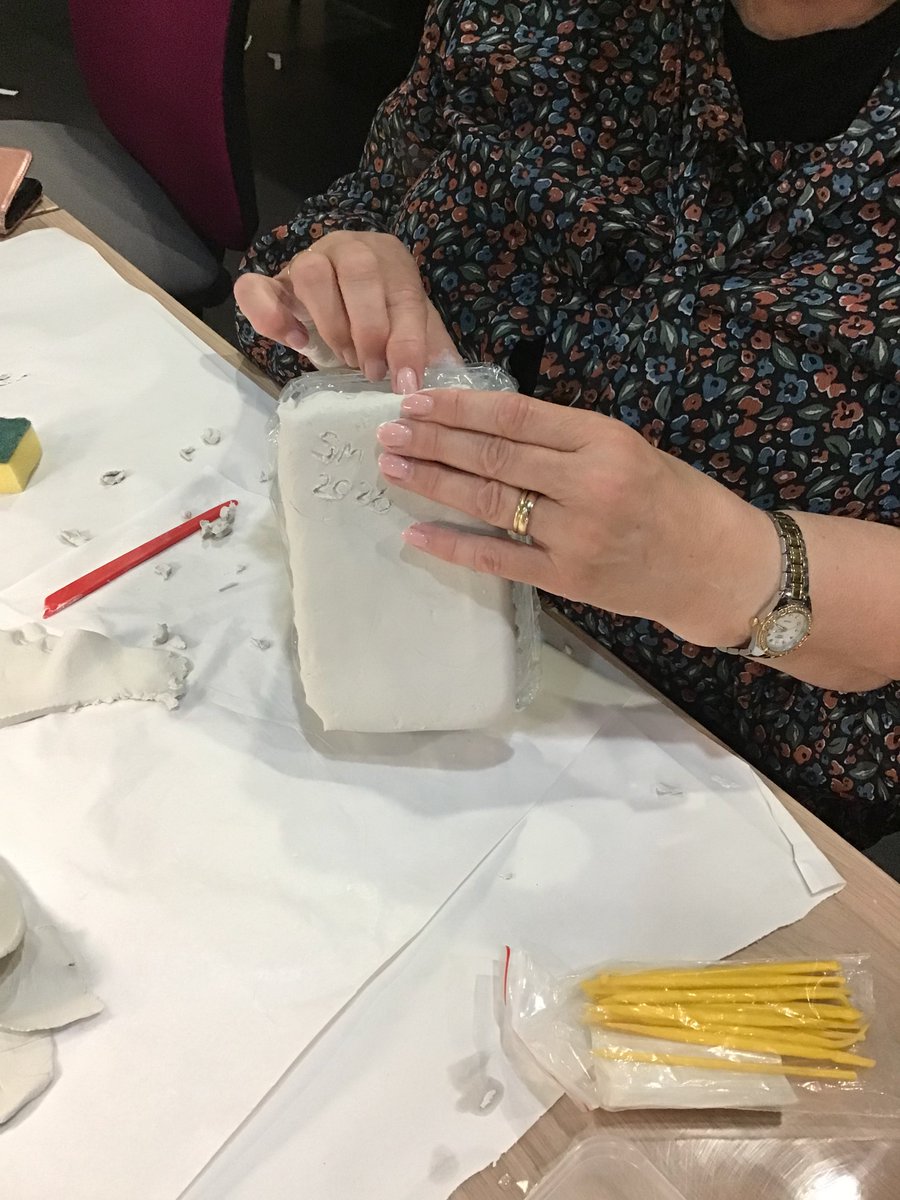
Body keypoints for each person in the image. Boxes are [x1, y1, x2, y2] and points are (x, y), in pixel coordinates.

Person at [234, 0, 900, 851]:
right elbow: (381, 193)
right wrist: (352, 268)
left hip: (710, 781)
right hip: (393, 637)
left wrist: (725, 566)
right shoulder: (532, 18)